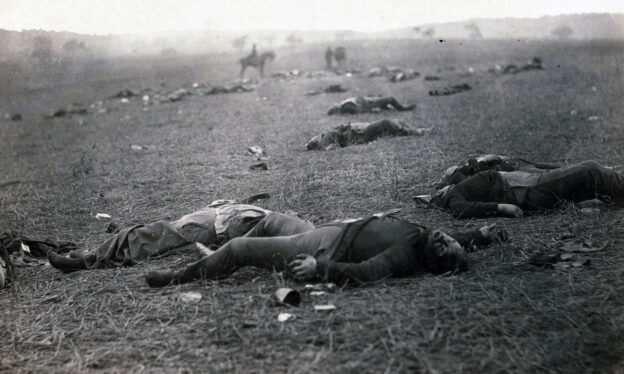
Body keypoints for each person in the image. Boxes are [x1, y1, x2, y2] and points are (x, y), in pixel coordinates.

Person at [145, 215, 504, 287]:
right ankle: (214, 255)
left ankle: (181, 277)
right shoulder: (429, 239)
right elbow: (452, 237)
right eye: (449, 239)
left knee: (240, 248)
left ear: (433, 261)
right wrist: (481, 235)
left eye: (444, 246)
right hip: (330, 228)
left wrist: (321, 269)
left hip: (323, 246)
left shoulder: (407, 255)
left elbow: (367, 272)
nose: (444, 238)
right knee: (273, 219)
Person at [47, 200, 314, 271]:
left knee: (146, 239)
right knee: (150, 236)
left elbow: (247, 241)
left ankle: (84, 261)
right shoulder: (302, 234)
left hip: (212, 226)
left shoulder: (299, 236)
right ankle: (90, 255)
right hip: (217, 218)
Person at [427, 160, 624, 218]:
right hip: (521, 189)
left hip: (521, 182)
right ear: (438, 198)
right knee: (590, 170)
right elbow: (462, 210)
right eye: (439, 190)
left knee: (583, 178)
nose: (442, 187)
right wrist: (501, 208)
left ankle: (617, 188)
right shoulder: (452, 197)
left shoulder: (459, 186)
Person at [437, 154, 562, 188]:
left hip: (515, 163)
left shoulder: (474, 163)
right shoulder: (474, 179)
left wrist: (483, 161)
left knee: (553, 167)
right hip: (517, 170)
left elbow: (494, 157)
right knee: (546, 173)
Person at [306, 119, 432, 151]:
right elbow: (337, 143)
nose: (315, 137)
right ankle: (415, 132)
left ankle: (417, 130)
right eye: (313, 140)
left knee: (394, 121)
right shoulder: (325, 141)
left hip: (359, 129)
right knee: (385, 122)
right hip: (360, 136)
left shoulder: (323, 137)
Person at [328, 96, 415, 115]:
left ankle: (387, 107)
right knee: (390, 99)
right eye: (333, 106)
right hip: (368, 105)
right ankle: (403, 109)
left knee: (385, 101)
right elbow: (358, 111)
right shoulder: (345, 106)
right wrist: (372, 111)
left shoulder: (344, 104)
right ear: (335, 109)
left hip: (368, 101)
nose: (334, 104)